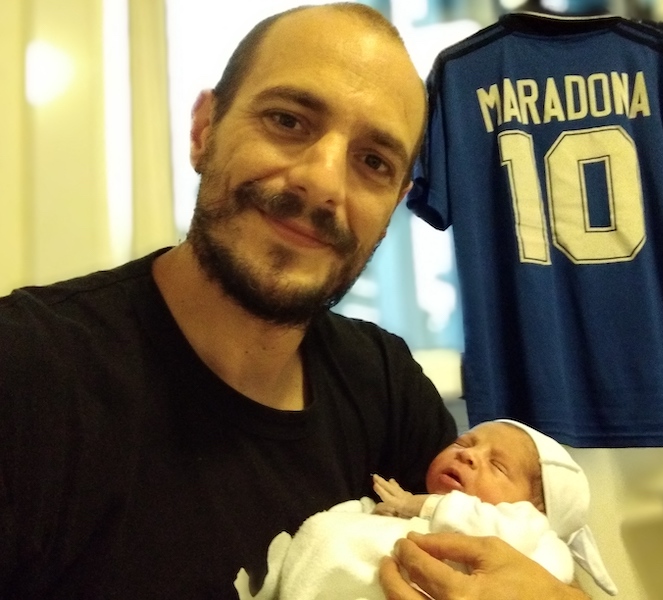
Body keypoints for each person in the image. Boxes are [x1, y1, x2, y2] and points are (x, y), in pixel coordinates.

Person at [0, 4, 590, 599]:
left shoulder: (385, 384)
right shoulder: (26, 373)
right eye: (287, 121)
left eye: (373, 162)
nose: (324, 182)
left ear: (395, 203)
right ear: (204, 131)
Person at [235, 419, 616, 599]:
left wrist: (419, 504)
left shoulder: (532, 535)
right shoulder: (413, 512)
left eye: (498, 466)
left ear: (540, 510)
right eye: (463, 442)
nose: (467, 455)